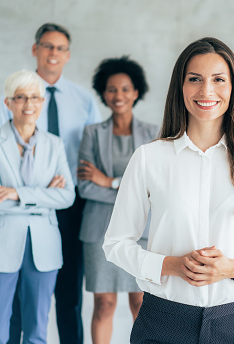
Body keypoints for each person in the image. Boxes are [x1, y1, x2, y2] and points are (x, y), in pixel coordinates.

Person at [102, 37, 234, 344]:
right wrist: (170, 266)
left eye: (218, 79)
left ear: (233, 88)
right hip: (163, 321)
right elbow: (116, 243)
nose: (206, 91)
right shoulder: (149, 158)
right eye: (195, 80)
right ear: (181, 87)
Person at [0, 23, 101, 344]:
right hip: (19, 207)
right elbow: (1, 148)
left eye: (60, 48)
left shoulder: (83, 99)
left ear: (68, 55)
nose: (54, 53)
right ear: (35, 50)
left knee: (69, 293)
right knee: (21, 291)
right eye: (47, 46)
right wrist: (40, 186)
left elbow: (90, 151)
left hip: (70, 205)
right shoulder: (11, 98)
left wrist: (65, 186)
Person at [0, 70, 75, 344]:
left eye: (34, 97)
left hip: (44, 247)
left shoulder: (55, 144)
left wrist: (16, 193)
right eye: (20, 98)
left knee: (36, 335)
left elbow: (67, 196)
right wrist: (43, 197)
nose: (28, 105)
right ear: (8, 103)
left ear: (42, 102)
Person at [77, 56, 158, 344]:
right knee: (104, 305)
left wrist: (108, 181)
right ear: (103, 93)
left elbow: (154, 188)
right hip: (99, 230)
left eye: (125, 89)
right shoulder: (91, 133)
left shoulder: (154, 134)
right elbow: (86, 188)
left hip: (141, 232)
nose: (118, 95)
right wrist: (127, 189)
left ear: (136, 92)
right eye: (112, 89)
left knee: (141, 305)